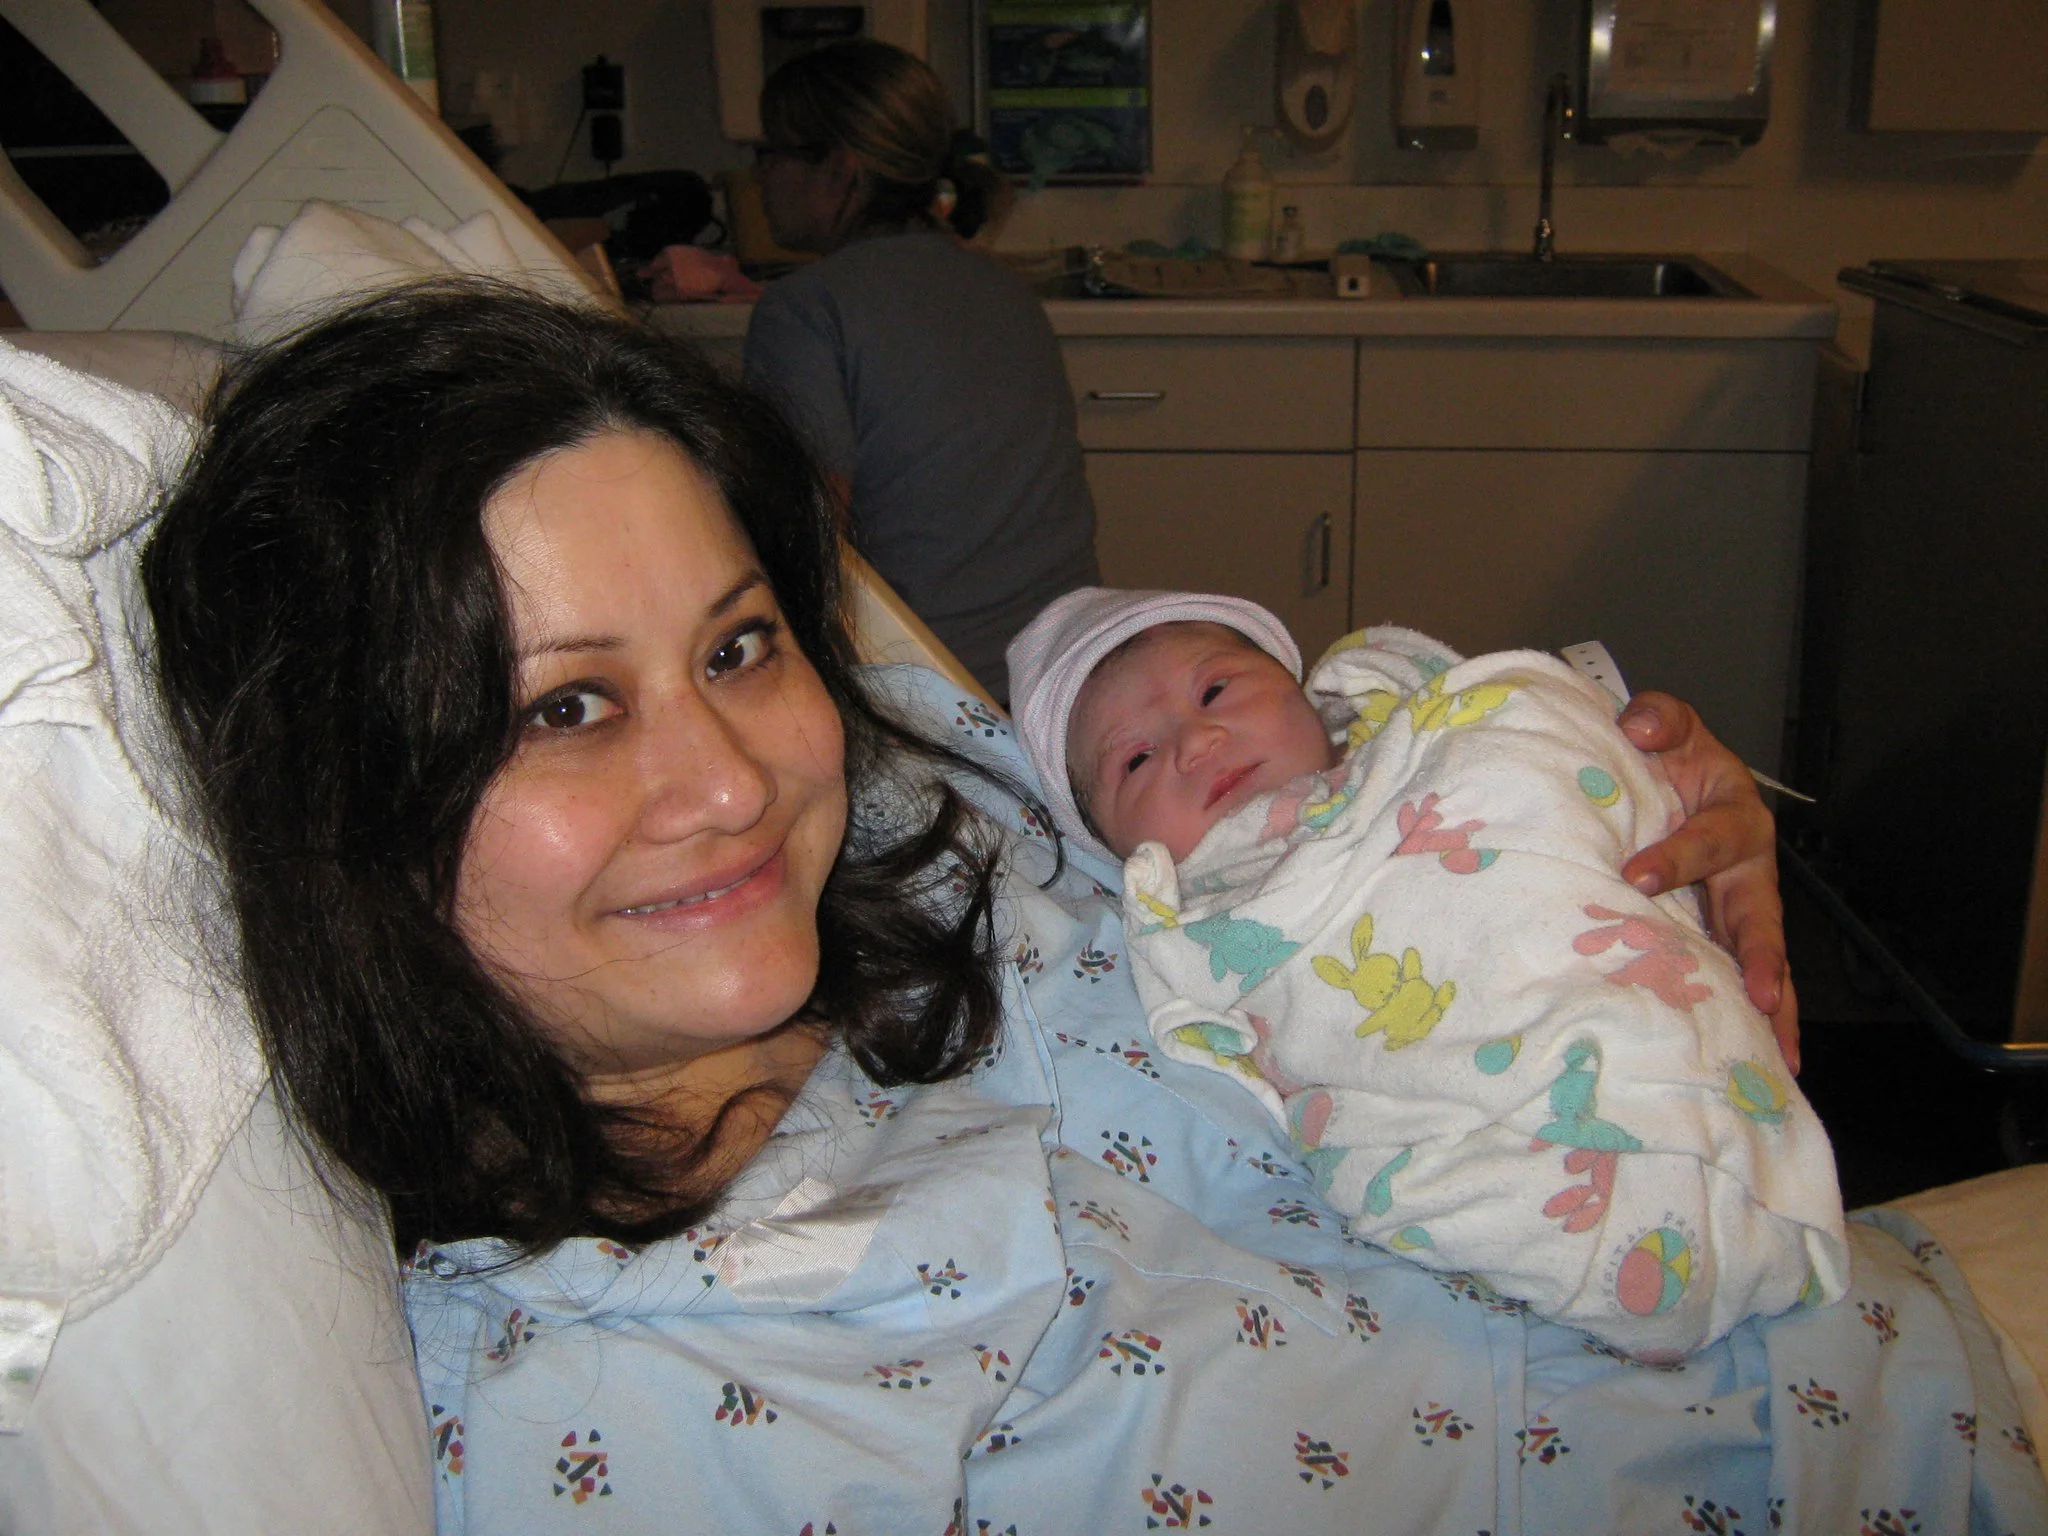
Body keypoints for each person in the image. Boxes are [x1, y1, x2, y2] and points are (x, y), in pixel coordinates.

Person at [140, 282, 2043, 1533]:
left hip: (1852, 1310)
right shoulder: (632, 1407)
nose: (728, 777)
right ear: (351, 806)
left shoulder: (927, 860)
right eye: (566, 706)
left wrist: (1599, 820)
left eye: (739, 644)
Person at [1005, 588, 1847, 1358]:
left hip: (1619, 1008)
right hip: (1468, 1135)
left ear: (1310, 695)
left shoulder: (1435, 738)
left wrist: (1633, 756)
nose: (1195, 743)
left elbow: (1559, 774)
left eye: (1216, 691)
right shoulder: (1197, 927)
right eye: (1135, 763)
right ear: (1114, 853)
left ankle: (1698, 1141)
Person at [741, 38, 1098, 702]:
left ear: (840, 169)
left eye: (771, 153)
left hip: (934, 701)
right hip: (1066, 677)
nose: (758, 176)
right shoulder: (1002, 287)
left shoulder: (805, 310)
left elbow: (806, 549)